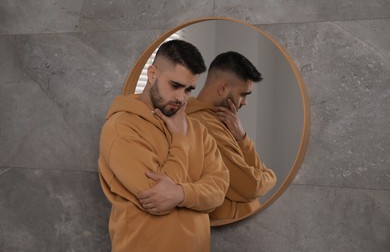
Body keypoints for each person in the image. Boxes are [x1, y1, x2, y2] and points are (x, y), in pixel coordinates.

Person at [98, 40, 229, 251]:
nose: (181, 97)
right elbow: (157, 197)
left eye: (189, 89)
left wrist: (181, 194)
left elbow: (218, 191)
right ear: (152, 74)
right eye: (175, 85)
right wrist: (179, 139)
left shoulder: (198, 130)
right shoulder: (121, 128)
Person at [186, 51, 277, 221]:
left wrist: (242, 138)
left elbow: (253, 174)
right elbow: (252, 186)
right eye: (243, 94)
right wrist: (270, 176)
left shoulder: (223, 120)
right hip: (231, 232)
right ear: (223, 88)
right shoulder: (205, 125)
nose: (245, 102)